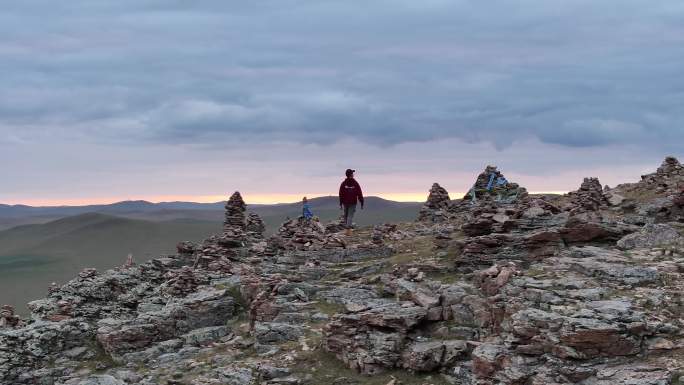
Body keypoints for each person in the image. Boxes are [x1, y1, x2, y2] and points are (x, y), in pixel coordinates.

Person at [338, 168, 364, 235]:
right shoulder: (355, 183)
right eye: (352, 173)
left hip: (345, 202)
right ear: (351, 175)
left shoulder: (343, 184)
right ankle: (348, 230)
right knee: (350, 215)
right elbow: (359, 193)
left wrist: (341, 203)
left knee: (346, 215)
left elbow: (341, 194)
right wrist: (361, 202)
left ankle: (347, 229)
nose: (353, 174)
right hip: (353, 202)